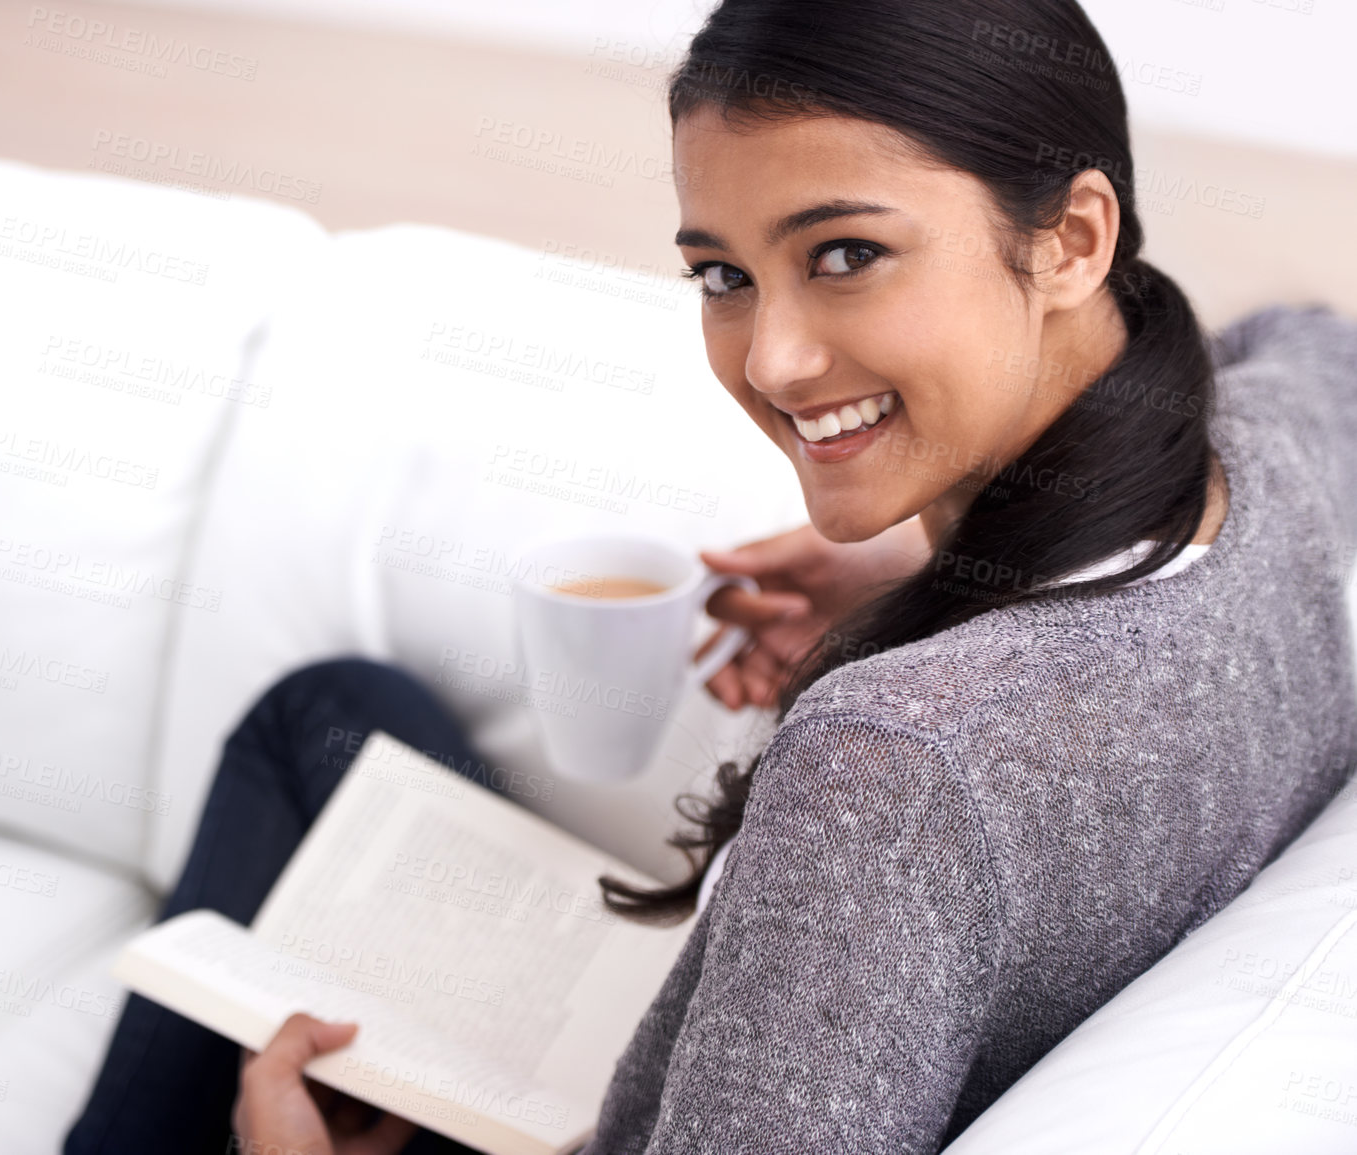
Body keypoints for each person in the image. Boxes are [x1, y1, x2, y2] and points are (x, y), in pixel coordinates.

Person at [66, 0, 1357, 1151]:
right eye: (723, 276)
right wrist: (951, 574)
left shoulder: (898, 763)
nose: (776, 361)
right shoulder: (1270, 461)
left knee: (307, 729)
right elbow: (1310, 341)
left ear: (1073, 238)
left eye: (845, 252)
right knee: (334, 710)